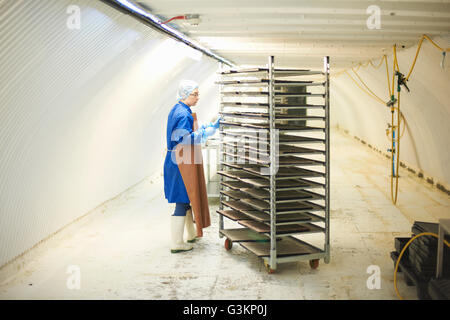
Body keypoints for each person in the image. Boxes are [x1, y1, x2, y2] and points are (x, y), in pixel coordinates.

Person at [163, 80, 221, 253]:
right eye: (194, 94)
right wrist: (206, 133)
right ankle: (176, 244)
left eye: (198, 94)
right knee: (181, 201)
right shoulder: (183, 114)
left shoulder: (179, 109)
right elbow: (184, 140)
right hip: (180, 163)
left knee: (186, 199)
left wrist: (206, 127)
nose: (198, 97)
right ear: (184, 95)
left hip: (178, 159)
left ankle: (190, 235)